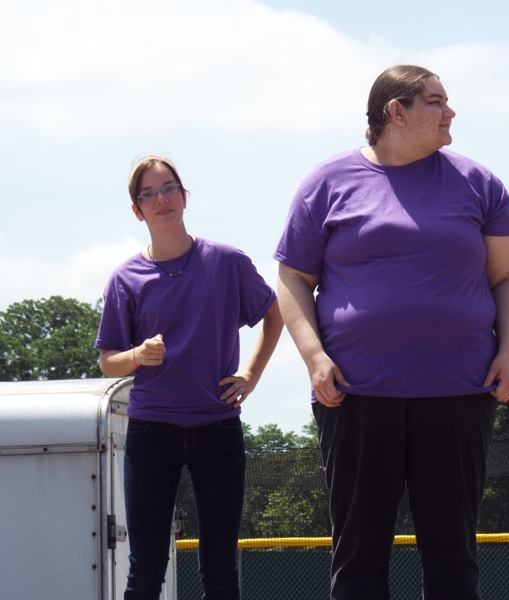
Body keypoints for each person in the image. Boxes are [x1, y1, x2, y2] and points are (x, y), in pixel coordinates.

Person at [274, 65, 509, 600]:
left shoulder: (480, 184)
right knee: (358, 556)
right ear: (396, 111)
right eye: (435, 101)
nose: (450, 112)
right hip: (354, 393)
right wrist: (315, 357)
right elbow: (293, 277)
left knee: (453, 555)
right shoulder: (327, 182)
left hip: (458, 390)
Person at [94, 155, 283, 600]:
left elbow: (275, 314)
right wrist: (138, 355)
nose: (161, 199)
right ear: (137, 210)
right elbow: (108, 362)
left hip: (217, 428)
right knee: (145, 571)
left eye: (169, 189)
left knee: (220, 569)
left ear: (184, 197)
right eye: (149, 194)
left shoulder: (226, 261)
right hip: (150, 431)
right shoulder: (125, 278)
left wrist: (250, 375)